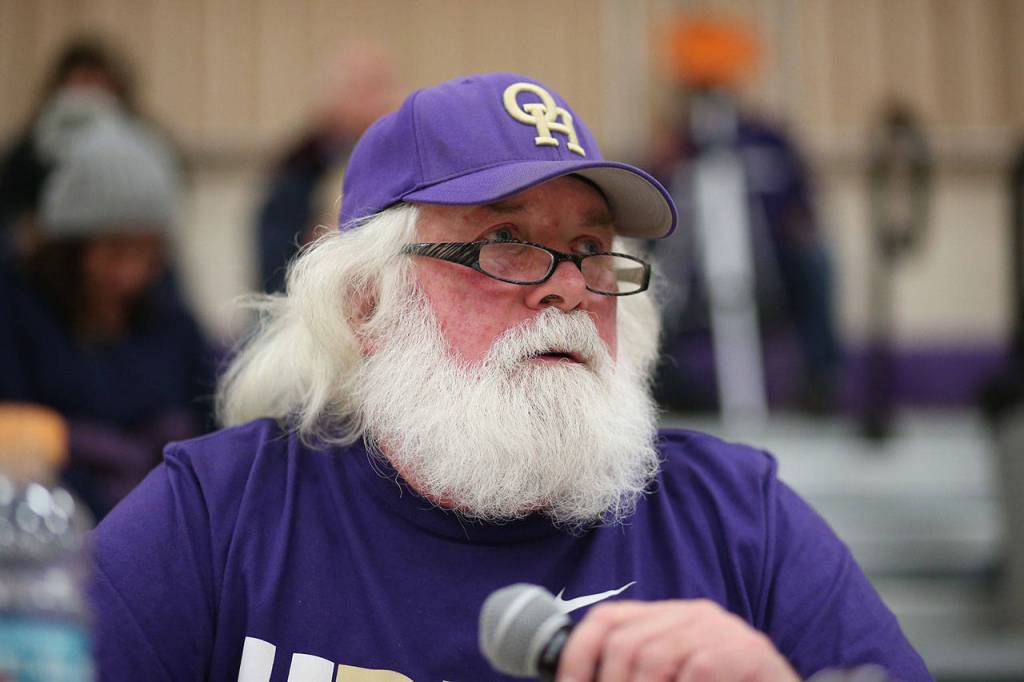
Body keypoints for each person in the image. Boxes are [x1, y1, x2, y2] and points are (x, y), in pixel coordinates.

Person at [89, 73, 930, 681]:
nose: (569, 284)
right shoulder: (215, 519)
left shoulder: (737, 521)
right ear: (366, 304)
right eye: (506, 243)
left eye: (593, 250)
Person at [0, 117, 215, 520]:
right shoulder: (16, 306)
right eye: (114, 250)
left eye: (147, 253)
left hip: (159, 518)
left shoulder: (167, 314)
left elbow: (209, 408)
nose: (131, 272)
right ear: (69, 248)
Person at [255, 42, 398, 292]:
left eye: (384, 86)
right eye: (365, 89)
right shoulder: (298, 170)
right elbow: (275, 276)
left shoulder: (407, 161)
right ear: (330, 102)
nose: (380, 101)